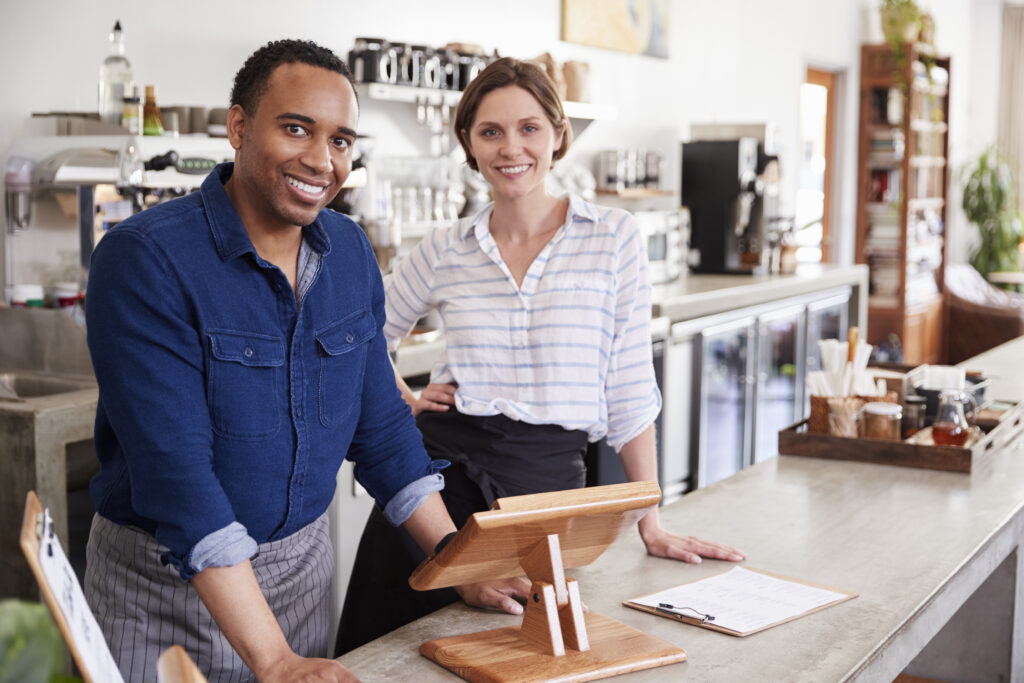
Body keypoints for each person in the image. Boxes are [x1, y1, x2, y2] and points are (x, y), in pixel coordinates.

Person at [83, 39, 522, 683]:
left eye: (341, 140)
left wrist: (458, 561)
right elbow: (177, 477)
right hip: (166, 592)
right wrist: (275, 660)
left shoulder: (346, 250)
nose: (322, 160)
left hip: (301, 580)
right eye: (297, 129)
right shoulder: (144, 258)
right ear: (238, 127)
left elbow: (382, 428)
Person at [336, 57, 745, 656]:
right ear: (469, 146)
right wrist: (407, 398)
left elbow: (630, 387)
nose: (511, 149)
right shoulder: (446, 248)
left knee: (518, 655)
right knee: (389, 654)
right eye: (490, 132)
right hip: (437, 482)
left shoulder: (613, 238)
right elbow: (366, 335)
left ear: (558, 134)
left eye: (529, 128)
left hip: (547, 492)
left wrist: (648, 521)